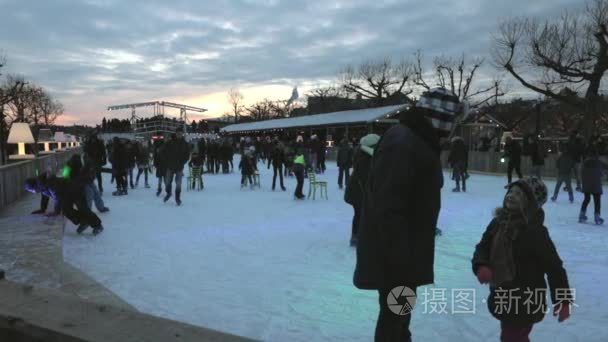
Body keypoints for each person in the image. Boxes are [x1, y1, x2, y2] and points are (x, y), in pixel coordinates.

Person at [354, 88, 452, 341]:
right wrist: (401, 258)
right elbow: (389, 206)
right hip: (397, 257)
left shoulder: (415, 140)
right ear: (440, 119)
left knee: (399, 314)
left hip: (403, 253)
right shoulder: (404, 142)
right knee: (394, 316)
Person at [472, 178, 572, 341]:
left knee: (512, 336)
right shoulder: (499, 222)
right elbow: (483, 246)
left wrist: (563, 300)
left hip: (526, 299)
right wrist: (481, 265)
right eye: (510, 192)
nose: (511, 196)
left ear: (530, 203)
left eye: (518, 194)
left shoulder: (536, 232)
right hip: (503, 293)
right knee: (512, 334)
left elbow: (555, 268)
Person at [25, 172, 104, 235]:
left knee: (83, 208)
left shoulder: (49, 183)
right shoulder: (42, 186)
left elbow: (57, 197)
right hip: (66, 193)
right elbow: (45, 197)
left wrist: (56, 212)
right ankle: (83, 221)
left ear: (34, 186)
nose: (33, 192)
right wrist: (42, 209)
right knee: (66, 210)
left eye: (31, 190)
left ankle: (98, 225)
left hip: (75, 189)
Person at [344, 133, 379, 247]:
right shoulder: (365, 158)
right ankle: (357, 237)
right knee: (360, 214)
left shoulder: (363, 155)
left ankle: (359, 236)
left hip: (357, 192)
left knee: (360, 214)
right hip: (358, 193)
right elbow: (365, 179)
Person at [163, 129, 190, 205]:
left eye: (180, 134)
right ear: (175, 134)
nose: (179, 135)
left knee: (178, 183)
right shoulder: (170, 142)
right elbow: (163, 152)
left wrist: (183, 162)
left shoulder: (184, 144)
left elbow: (187, 155)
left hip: (179, 166)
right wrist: (166, 161)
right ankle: (168, 193)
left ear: (182, 134)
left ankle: (177, 198)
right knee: (168, 182)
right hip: (170, 165)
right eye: (178, 133)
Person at [579, 148, 607, 224]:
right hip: (596, 184)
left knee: (586, 199)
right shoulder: (599, 162)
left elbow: (581, 172)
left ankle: (581, 216)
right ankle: (597, 218)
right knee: (597, 201)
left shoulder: (585, 162)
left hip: (586, 184)